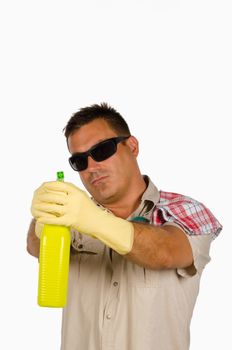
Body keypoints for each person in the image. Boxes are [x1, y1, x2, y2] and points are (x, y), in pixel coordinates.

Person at [27, 103, 222, 350]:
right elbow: (36, 248)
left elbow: (166, 251)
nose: (91, 168)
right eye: (79, 161)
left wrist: (92, 220)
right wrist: (42, 220)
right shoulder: (72, 213)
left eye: (101, 150)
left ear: (132, 146)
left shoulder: (183, 209)